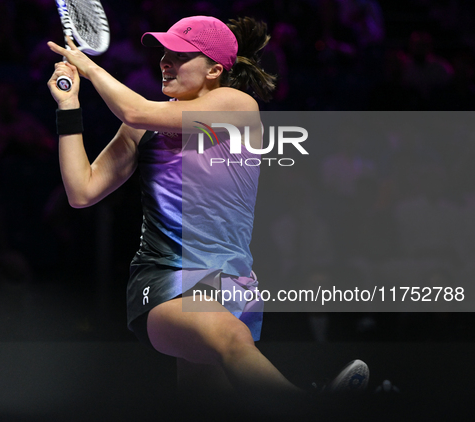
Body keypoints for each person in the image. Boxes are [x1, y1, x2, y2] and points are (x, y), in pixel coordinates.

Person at [46, 15, 369, 408]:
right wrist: (69, 106)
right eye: (164, 53)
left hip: (231, 282)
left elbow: (135, 110)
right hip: (167, 277)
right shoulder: (141, 127)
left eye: (180, 55)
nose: (165, 61)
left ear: (215, 69)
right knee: (230, 339)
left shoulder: (237, 106)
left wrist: (91, 67)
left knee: (208, 404)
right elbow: (82, 191)